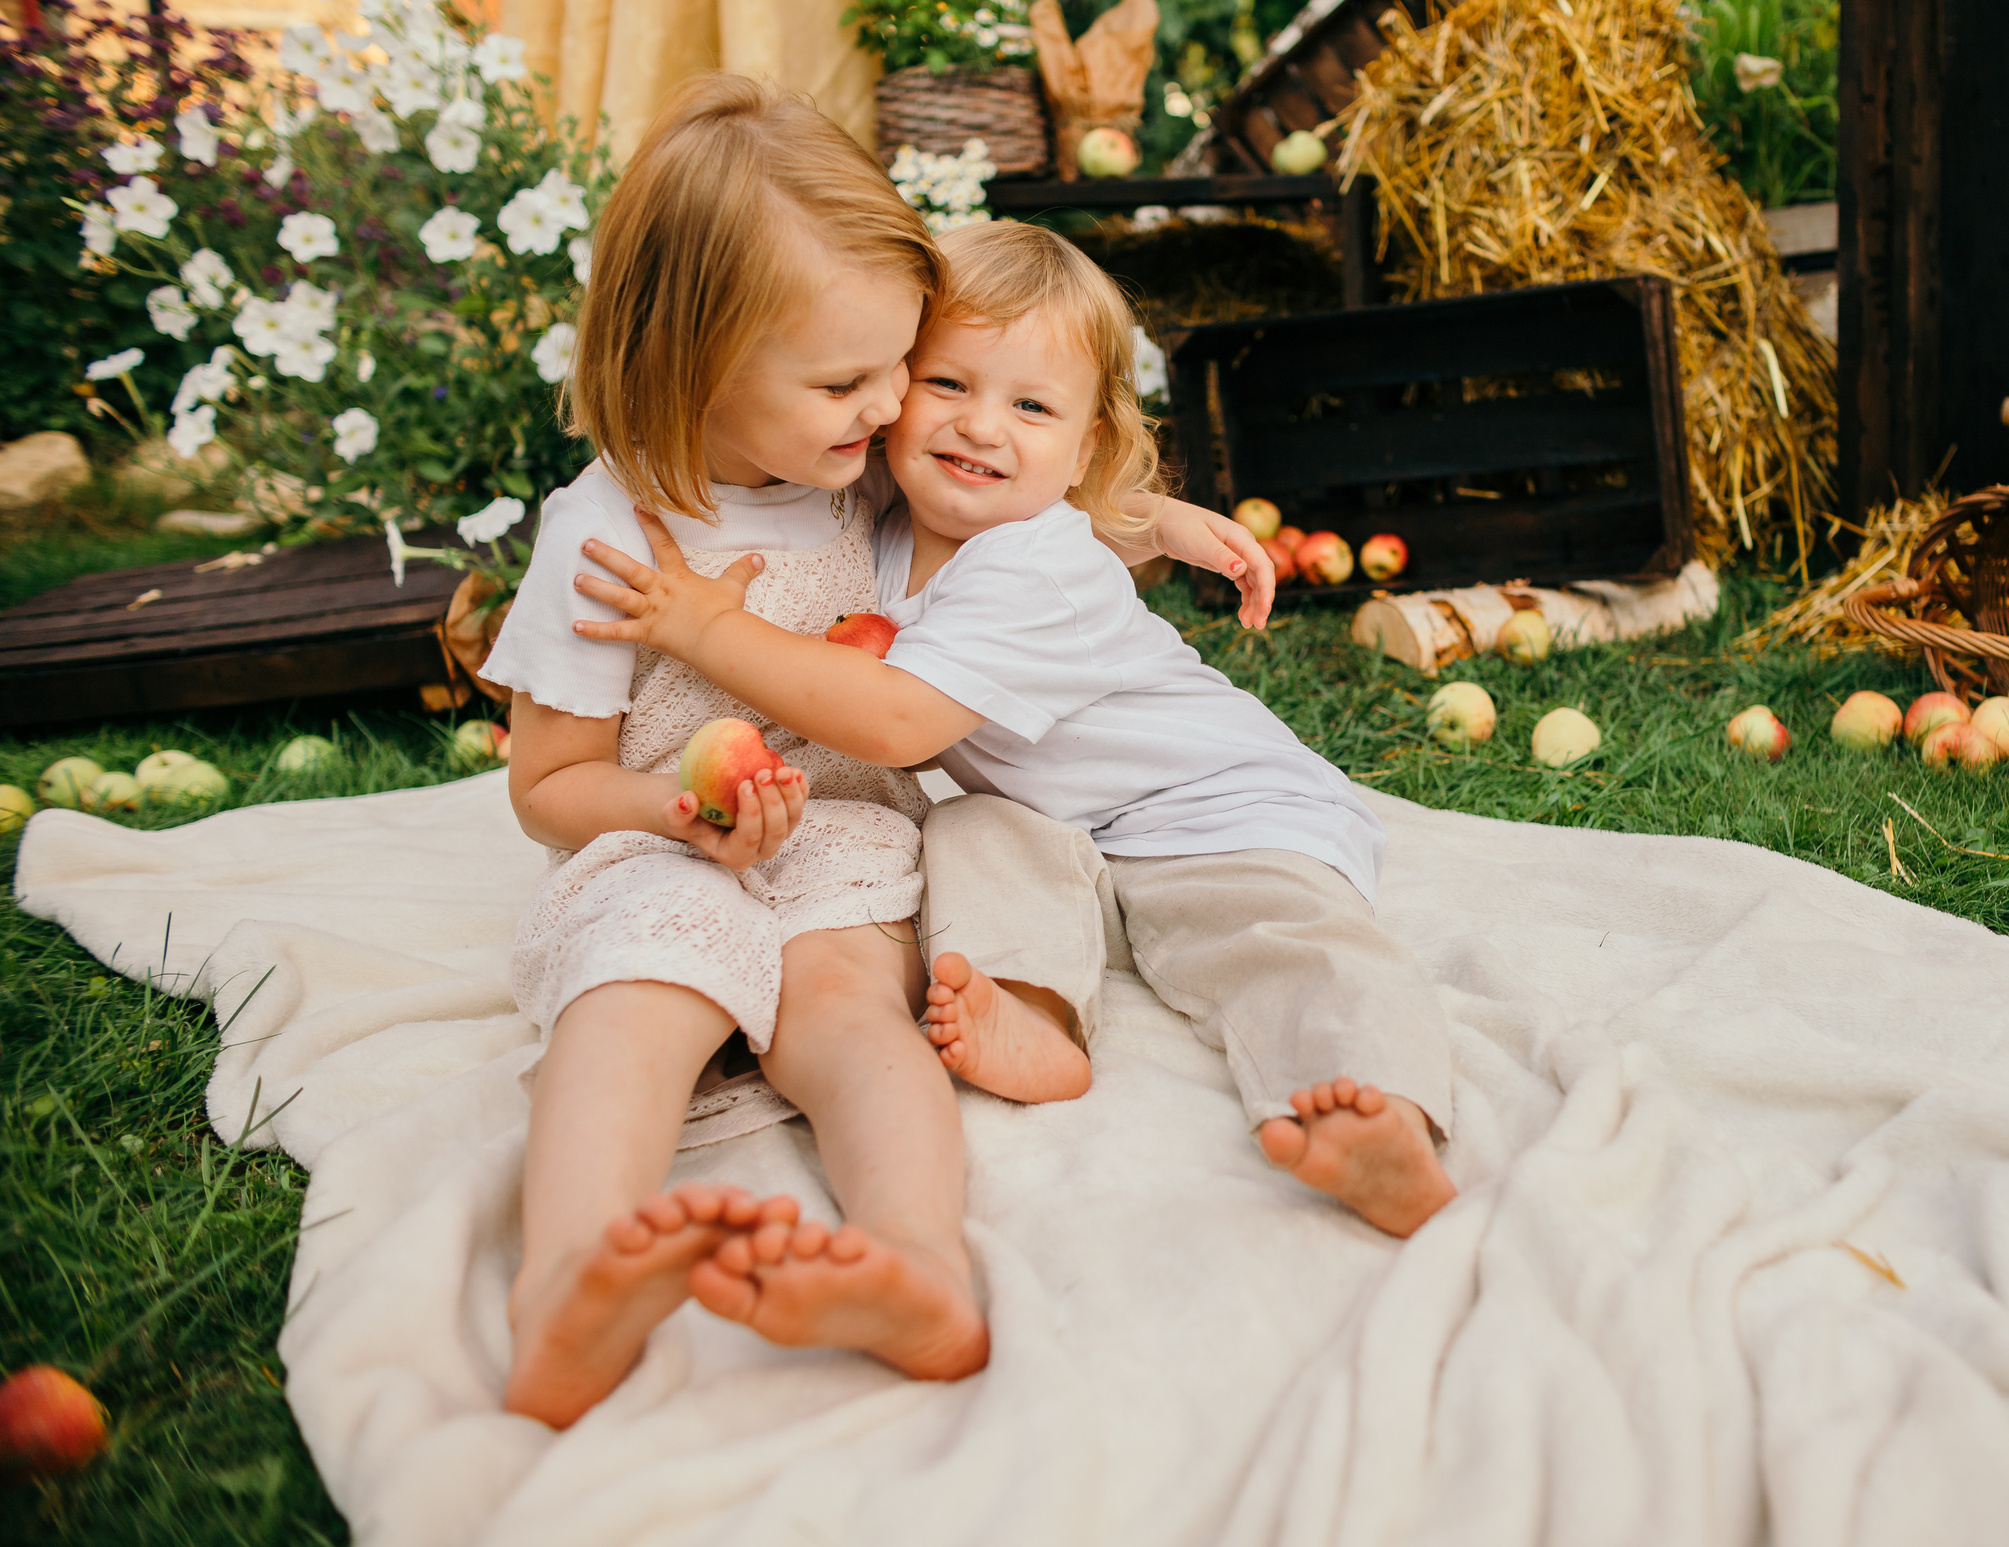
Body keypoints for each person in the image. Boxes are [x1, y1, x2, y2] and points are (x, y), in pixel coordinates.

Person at [480, 78, 1271, 1428]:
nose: (898, 403)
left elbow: (1001, 483)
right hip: (660, 834)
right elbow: (546, 786)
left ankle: (917, 1257)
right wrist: (679, 809)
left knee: (852, 1010)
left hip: (842, 823)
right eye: (853, 379)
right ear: (696, 360)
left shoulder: (853, 455)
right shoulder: (608, 532)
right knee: (634, 989)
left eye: (901, 362)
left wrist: (1148, 516)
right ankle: (566, 1280)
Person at [569, 220, 1457, 1240]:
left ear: (1083, 446)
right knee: (967, 836)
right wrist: (1156, 515)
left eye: (1030, 405)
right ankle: (1032, 1015)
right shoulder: (888, 515)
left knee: (1276, 942)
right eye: (948, 385)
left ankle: (1382, 1108)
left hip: (1216, 809)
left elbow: (898, 723)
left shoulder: (1038, 567)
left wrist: (706, 627)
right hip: (1061, 824)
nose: (980, 427)